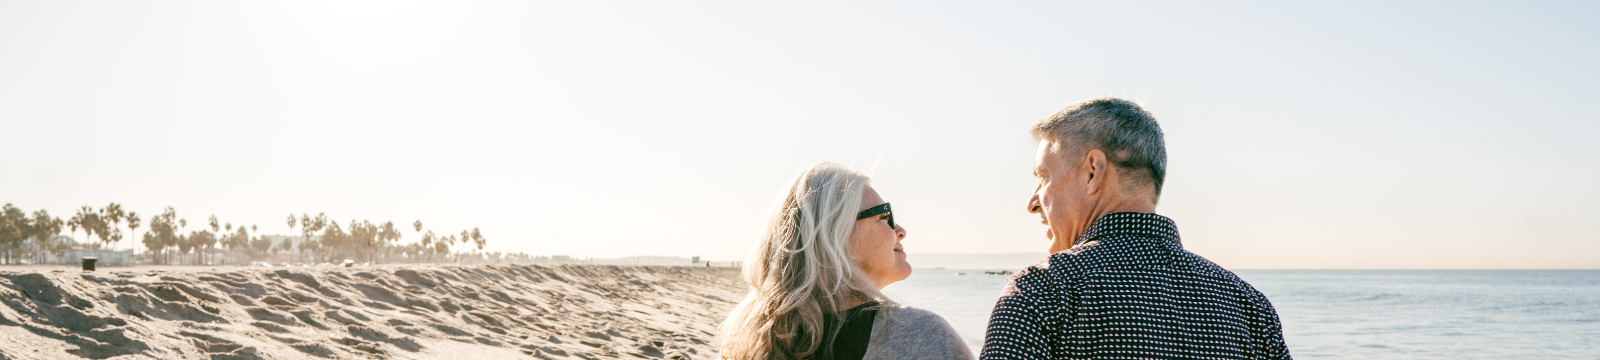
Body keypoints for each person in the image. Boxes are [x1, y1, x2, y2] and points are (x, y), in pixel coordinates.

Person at [982, 98, 1290, 359]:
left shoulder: (1041, 293)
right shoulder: (1249, 306)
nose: (1033, 202)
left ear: (1092, 172)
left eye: (1044, 177)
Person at [720, 163, 973, 360]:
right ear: (837, 237)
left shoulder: (748, 340)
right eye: (884, 216)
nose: (901, 229)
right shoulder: (921, 336)